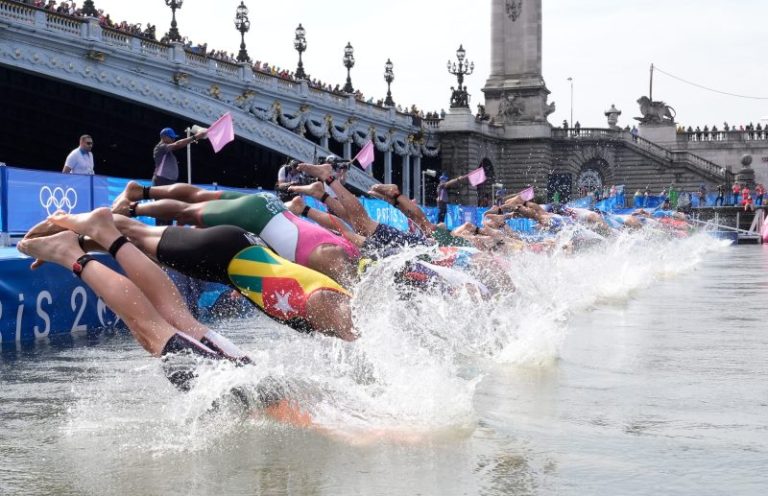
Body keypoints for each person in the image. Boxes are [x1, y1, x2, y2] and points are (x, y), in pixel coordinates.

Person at [17, 209, 312, 426]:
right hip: (252, 395)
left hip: (258, 386)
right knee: (152, 331)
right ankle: (70, 254)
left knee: (177, 320)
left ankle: (106, 234)